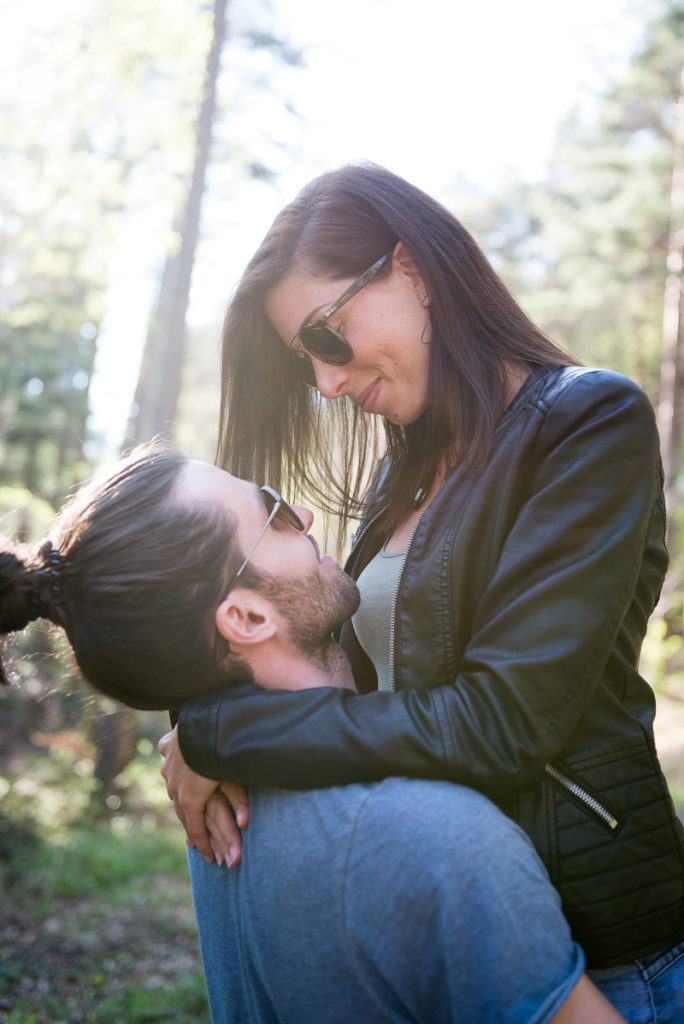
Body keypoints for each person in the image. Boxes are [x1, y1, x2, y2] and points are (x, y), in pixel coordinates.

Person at [158, 162, 684, 1022]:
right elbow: (360, 687)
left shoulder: (589, 423)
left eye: (328, 338)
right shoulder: (399, 470)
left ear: (412, 270)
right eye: (307, 363)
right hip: (443, 928)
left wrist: (229, 732)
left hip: (608, 958)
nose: (326, 383)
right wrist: (200, 722)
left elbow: (499, 723)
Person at [0, 441, 625, 1023]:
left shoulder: (217, 808)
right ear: (245, 618)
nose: (300, 510)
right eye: (271, 512)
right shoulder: (435, 837)